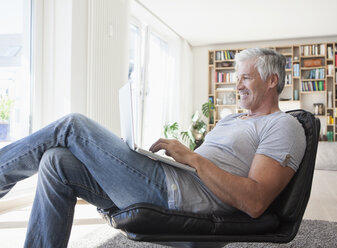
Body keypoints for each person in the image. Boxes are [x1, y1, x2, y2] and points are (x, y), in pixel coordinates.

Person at [0, 48, 306, 247]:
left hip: (175, 195)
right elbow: (212, 165)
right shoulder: (232, 120)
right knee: (56, 161)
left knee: (72, 125)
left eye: (246, 78)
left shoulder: (283, 126)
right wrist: (181, 158)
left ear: (271, 81)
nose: (237, 85)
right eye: (237, 78)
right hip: (169, 179)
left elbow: (254, 202)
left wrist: (193, 159)